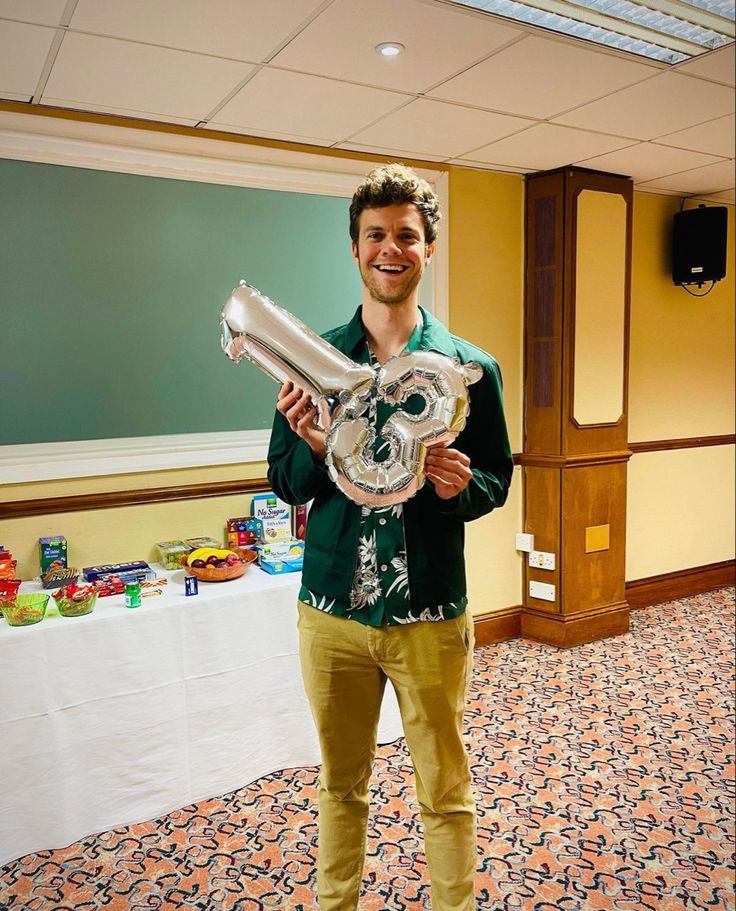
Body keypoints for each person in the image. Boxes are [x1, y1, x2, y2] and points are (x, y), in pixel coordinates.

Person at [267, 163, 513, 911]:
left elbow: (496, 480)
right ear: (355, 248)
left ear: (427, 248)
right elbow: (283, 479)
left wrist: (457, 485)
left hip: (429, 615)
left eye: (406, 234)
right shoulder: (315, 360)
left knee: (445, 789)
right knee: (340, 784)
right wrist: (309, 444)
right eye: (376, 234)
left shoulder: (471, 370)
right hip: (332, 612)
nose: (390, 248)